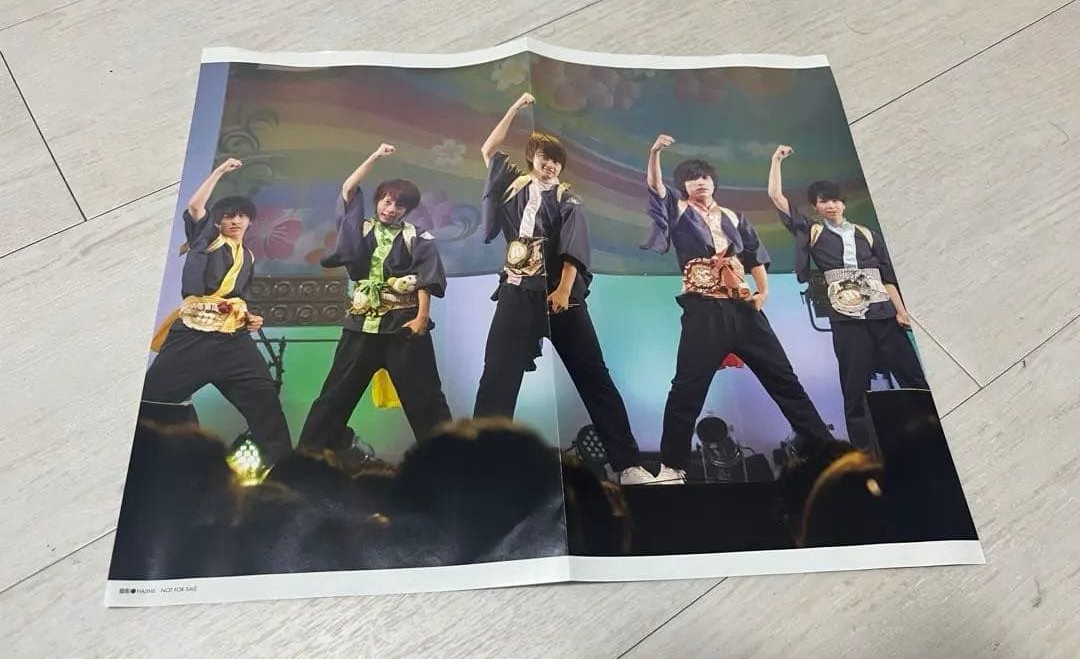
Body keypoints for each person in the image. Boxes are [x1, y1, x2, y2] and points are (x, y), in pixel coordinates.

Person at [473, 93, 678, 485]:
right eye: (544, 158)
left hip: (559, 296)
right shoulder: (514, 187)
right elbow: (488, 149)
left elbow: (573, 249)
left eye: (556, 161)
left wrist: (565, 292)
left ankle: (629, 466)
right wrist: (514, 109)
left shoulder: (568, 199)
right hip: (516, 292)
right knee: (497, 377)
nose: (550, 165)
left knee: (593, 377)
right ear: (532, 158)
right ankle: (482, 467)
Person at [643, 134, 832, 476]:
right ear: (683, 186)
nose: (700, 182)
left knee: (785, 381)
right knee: (687, 388)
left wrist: (763, 293)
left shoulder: (733, 216)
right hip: (703, 308)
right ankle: (672, 467)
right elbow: (655, 187)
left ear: (714, 182)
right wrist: (655, 152)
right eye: (692, 179)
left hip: (742, 307)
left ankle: (828, 453)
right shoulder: (679, 209)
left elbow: (755, 256)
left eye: (704, 177)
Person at [766, 145, 928, 447]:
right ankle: (866, 451)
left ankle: (931, 435)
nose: (831, 205)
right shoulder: (813, 231)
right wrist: (776, 161)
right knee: (855, 389)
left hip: (883, 314)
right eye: (823, 201)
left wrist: (901, 310)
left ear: (844, 203)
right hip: (847, 318)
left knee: (914, 378)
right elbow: (777, 197)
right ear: (815, 206)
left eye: (835, 200)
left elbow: (887, 277)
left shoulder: (867, 234)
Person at [299, 143, 452, 453]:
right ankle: (306, 460)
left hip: (404, 326)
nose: (391, 209)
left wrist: (421, 318)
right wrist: (374, 156)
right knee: (334, 397)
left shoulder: (418, 237)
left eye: (399, 206)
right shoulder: (360, 229)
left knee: (426, 400)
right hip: (362, 324)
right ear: (378, 200)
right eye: (387, 201)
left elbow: (427, 278)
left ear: (407, 210)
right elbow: (348, 189)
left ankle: (449, 465)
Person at [143, 158, 292, 468]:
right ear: (218, 222)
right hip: (193, 335)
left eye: (241, 216)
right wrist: (220, 171)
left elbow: (239, 298)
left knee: (265, 402)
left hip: (234, 341)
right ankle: (167, 464)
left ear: (250, 221)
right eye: (228, 216)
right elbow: (195, 207)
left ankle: (284, 473)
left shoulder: (248, 256)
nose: (235, 221)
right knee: (152, 400)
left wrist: (250, 318)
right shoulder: (208, 240)